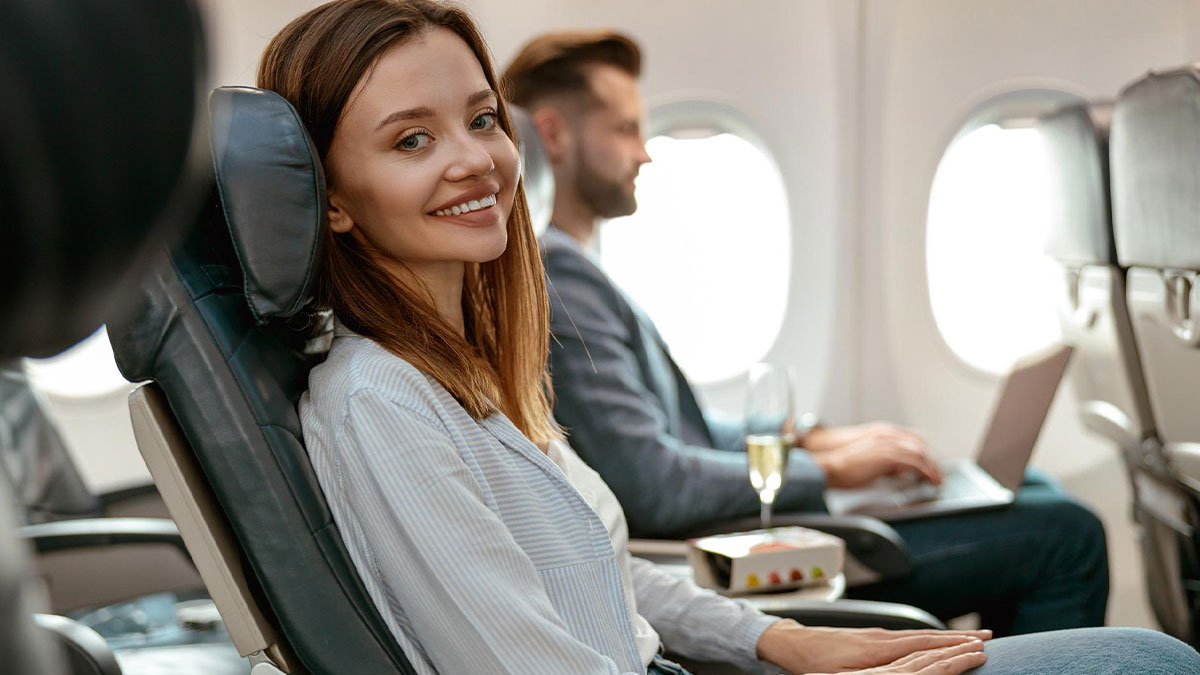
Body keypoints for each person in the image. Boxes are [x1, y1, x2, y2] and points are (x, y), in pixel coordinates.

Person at [267, 1, 1200, 673]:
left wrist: (781, 640)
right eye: (410, 141)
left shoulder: (461, 367)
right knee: (1146, 656)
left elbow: (599, 571)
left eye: (479, 120)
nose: (474, 158)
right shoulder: (379, 401)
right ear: (333, 199)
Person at [503, 31, 1109, 636]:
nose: (645, 153)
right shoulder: (561, 276)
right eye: (626, 129)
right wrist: (832, 474)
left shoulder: (574, 268)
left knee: (1030, 489)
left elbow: (686, 432)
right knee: (1067, 533)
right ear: (554, 134)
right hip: (725, 557)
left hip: (742, 528)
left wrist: (819, 441)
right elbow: (655, 485)